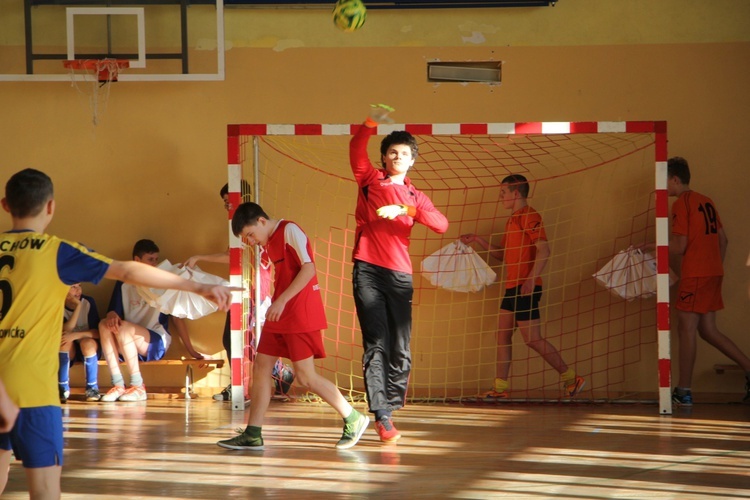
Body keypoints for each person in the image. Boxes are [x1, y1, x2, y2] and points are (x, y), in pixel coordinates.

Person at [0, 168, 235, 499]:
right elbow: (125, 269)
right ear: (51, 207)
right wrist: (196, 285)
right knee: (45, 488)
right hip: (33, 390)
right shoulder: (56, 251)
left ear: (5, 204)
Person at [216, 202, 369, 451]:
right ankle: (253, 433)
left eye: (250, 235)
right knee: (262, 366)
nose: (251, 241)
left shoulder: (290, 230)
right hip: (281, 311)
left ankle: (353, 417)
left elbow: (309, 269)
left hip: (299, 311)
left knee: (305, 377)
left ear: (262, 221)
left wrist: (283, 300)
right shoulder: (269, 241)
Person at [349, 105, 449, 443]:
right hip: (368, 271)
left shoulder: (416, 196)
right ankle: (382, 416)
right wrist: (370, 121)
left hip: (400, 275)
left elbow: (441, 224)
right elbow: (355, 148)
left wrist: (406, 209)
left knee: (401, 347)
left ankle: (391, 403)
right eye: (392, 152)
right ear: (384, 157)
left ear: (411, 160)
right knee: (376, 342)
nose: (397, 156)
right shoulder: (369, 179)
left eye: (404, 153)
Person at [460, 174, 585, 400]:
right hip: (512, 288)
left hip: (526, 287)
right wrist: (478, 240)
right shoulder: (512, 220)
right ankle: (499, 389)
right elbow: (502, 255)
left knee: (532, 339)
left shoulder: (529, 216)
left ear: (516, 193)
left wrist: (530, 279)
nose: (501, 198)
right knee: (502, 335)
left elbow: (544, 250)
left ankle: (571, 378)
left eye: (503, 193)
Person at [182, 181, 287, 402]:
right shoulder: (239, 228)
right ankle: (257, 380)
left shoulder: (256, 226)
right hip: (240, 289)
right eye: (225, 203)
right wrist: (199, 257)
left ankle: (275, 376)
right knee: (232, 339)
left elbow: (235, 257)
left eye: (230, 201)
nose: (228, 207)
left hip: (256, 291)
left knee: (248, 341)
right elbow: (231, 256)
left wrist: (200, 257)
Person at [665, 157, 750, 406]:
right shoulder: (707, 201)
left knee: (686, 329)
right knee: (708, 330)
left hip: (697, 275)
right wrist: (715, 266)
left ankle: (683, 391)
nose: (661, 187)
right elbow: (724, 240)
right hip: (713, 273)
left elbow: (679, 247)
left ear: (675, 179)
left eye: (663, 181)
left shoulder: (682, 204)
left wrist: (652, 247)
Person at [98, 239, 208, 402]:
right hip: (126, 341)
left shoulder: (162, 281)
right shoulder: (123, 281)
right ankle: (118, 385)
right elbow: (113, 311)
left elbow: (177, 319)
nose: (155, 263)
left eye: (156, 259)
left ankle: (138, 386)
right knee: (103, 324)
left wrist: (191, 351)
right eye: (150, 260)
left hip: (155, 342)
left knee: (125, 328)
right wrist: (111, 315)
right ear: (137, 260)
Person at [59, 283, 102, 402]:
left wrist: (76, 335)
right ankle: (62, 387)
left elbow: (97, 333)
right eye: (73, 287)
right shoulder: (57, 303)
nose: (78, 290)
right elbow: (65, 332)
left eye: (79, 285)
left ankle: (92, 388)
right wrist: (77, 307)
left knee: (87, 343)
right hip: (70, 348)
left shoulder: (88, 302)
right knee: (63, 341)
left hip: (88, 346)